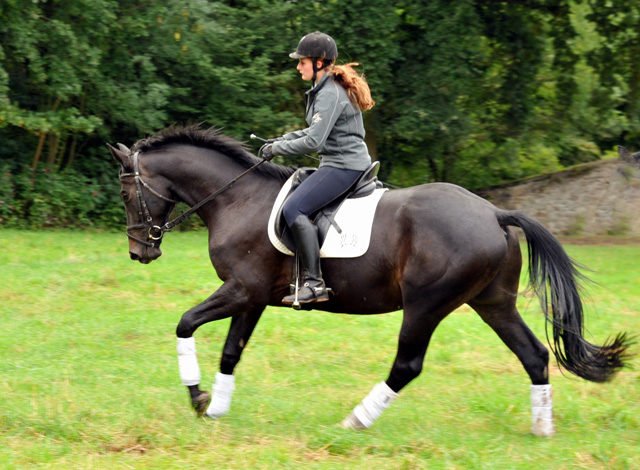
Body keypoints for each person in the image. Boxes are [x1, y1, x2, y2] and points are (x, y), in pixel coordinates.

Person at [262, 31, 376, 306]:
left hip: (344, 166)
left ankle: (314, 284)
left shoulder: (329, 93)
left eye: (302, 61)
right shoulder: (324, 90)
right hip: (337, 163)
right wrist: (280, 140)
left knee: (294, 208)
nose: (298, 66)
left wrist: (277, 150)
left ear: (320, 62)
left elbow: (314, 141)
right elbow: (312, 130)